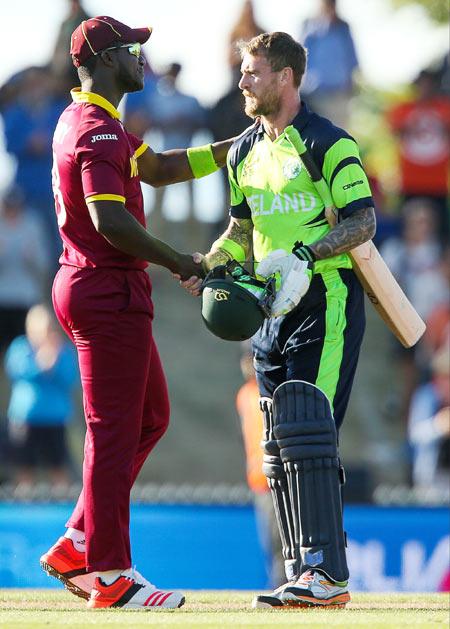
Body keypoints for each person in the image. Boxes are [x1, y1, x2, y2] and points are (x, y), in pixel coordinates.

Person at [39, 16, 233, 611]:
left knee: (148, 417)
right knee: (114, 431)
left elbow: (161, 169)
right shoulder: (96, 129)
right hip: (105, 288)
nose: (142, 57)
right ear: (103, 59)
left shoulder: (101, 124)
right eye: (132, 49)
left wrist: (240, 147)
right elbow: (111, 221)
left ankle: (78, 541)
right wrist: (183, 261)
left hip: (100, 286)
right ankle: (111, 574)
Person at [181, 31, 376, 609]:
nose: (242, 82)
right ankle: (299, 571)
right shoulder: (242, 151)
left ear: (286, 77)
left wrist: (307, 255)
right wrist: (209, 264)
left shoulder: (329, 143)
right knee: (277, 443)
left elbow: (363, 221)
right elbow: (242, 232)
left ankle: (327, 573)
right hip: (269, 311)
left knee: (308, 429)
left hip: (328, 300)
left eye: (253, 72)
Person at [4, 304, 79, 490]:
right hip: (24, 420)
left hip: (55, 421)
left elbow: (71, 378)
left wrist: (54, 362)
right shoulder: (21, 347)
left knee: (58, 467)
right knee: (24, 467)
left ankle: (63, 506)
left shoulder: (64, 351)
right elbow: (16, 371)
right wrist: (41, 364)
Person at [236, 344, 284, 589]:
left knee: (280, 543)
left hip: (274, 479)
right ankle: (278, 585)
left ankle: (281, 586)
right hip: (260, 480)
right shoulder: (247, 394)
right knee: (273, 543)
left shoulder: (265, 392)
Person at [386, 68, 450, 240]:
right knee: (407, 230)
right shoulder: (403, 109)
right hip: (410, 182)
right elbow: (395, 130)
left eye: (429, 85)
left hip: (438, 183)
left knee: (440, 234)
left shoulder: (445, 108)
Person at [0, 186, 51, 353]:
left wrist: (32, 258)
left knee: (26, 350)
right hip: (3, 298)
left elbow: (45, 265)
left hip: (26, 298)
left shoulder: (32, 224)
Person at [300, 0, 359, 129]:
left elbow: (352, 58)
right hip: (313, 94)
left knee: (339, 136)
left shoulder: (343, 28)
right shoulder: (309, 25)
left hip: (339, 94)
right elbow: (301, 55)